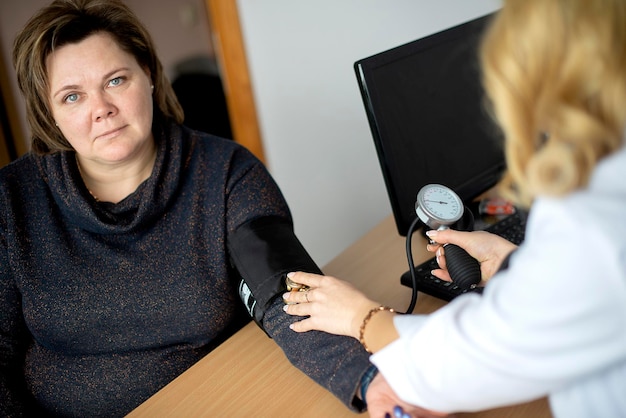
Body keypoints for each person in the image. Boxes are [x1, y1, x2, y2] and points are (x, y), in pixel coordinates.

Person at [0, 0, 376, 416]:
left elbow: (287, 296)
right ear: (49, 113)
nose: (101, 109)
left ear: (148, 75)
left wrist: (366, 381)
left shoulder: (226, 172)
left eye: (115, 80)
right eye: (72, 96)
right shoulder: (11, 199)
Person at [283, 0, 626, 417]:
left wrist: (359, 315)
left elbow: (465, 363)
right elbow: (587, 291)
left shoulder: (589, 218)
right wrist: (517, 266)